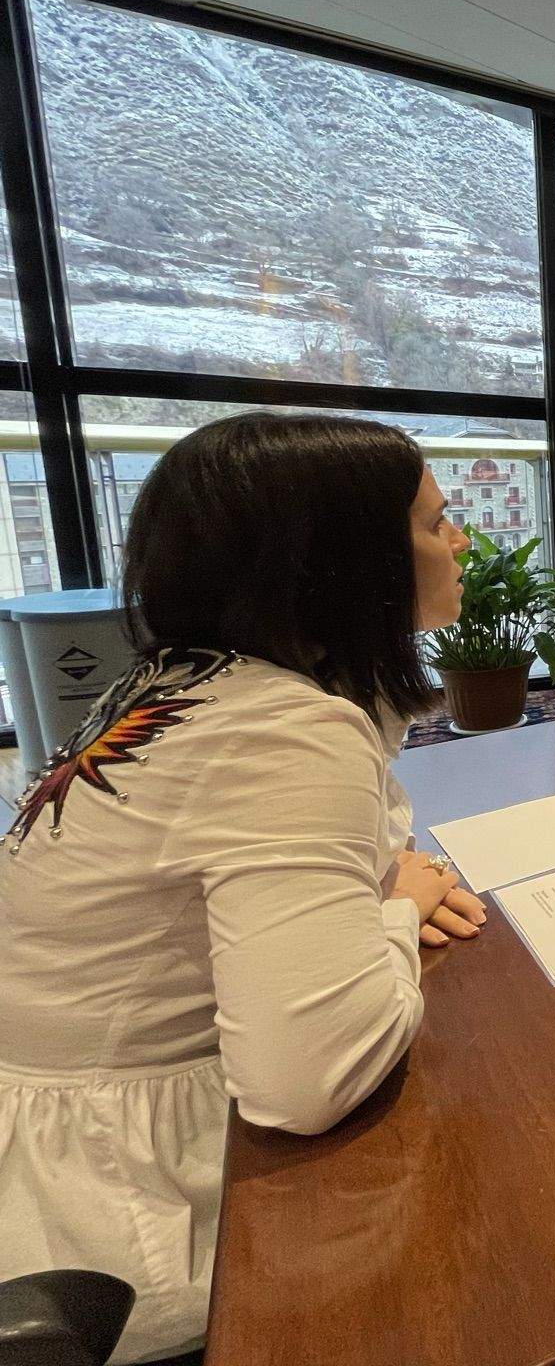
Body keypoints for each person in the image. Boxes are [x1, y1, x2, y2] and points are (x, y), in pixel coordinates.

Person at [0, 413, 487, 1364]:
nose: (460, 541)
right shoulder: (282, 731)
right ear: (342, 565)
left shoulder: (175, 684)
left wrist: (379, 889)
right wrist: (397, 909)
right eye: (435, 524)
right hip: (109, 1212)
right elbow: (307, 1084)